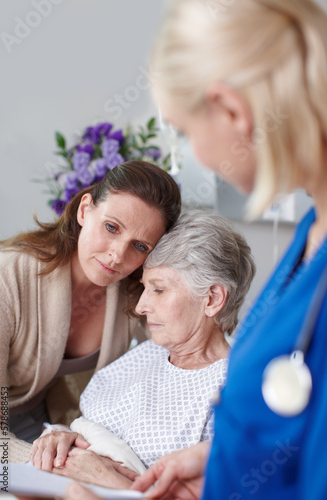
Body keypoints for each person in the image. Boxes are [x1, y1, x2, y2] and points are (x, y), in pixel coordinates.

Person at [128, 0, 327, 499]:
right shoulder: (311, 230)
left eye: (186, 131)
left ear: (232, 111)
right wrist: (224, 461)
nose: (194, 152)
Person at [28, 210, 255, 490]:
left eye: (158, 290)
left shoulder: (233, 390)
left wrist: (107, 481)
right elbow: (85, 423)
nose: (140, 306)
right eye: (145, 287)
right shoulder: (148, 353)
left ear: (212, 298)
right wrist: (61, 436)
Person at [0, 160, 181, 464]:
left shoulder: (134, 292)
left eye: (140, 246)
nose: (118, 254)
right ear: (84, 210)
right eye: (111, 227)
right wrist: (63, 465)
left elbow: (182, 347)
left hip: (39, 422)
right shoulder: (5, 277)